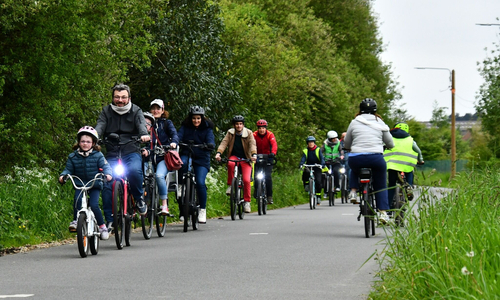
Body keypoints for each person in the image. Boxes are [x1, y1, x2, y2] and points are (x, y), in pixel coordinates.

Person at [95, 83, 150, 231]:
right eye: (117, 97)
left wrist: (144, 134)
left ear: (129, 98)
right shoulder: (106, 111)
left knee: (134, 170)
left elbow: (141, 125)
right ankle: (110, 220)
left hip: (131, 149)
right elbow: (100, 126)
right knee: (107, 182)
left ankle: (139, 199)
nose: (120, 100)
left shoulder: (136, 110)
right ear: (113, 98)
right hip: (112, 151)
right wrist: (94, 136)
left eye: (123, 97)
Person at [343, 98, 394, 224]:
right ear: (375, 110)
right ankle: (382, 213)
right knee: (381, 185)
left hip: (357, 157)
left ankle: (353, 192)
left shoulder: (354, 122)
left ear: (360, 110)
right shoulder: (380, 122)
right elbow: (390, 142)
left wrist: (349, 147)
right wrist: (387, 146)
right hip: (375, 158)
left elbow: (347, 141)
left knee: (354, 169)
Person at [59, 126, 113, 240]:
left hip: (94, 183)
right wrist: (63, 176)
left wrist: (107, 175)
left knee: (94, 204)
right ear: (78, 142)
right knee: (77, 200)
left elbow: (105, 166)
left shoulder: (98, 155)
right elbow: (68, 169)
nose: (85, 144)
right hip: (80, 183)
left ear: (93, 143)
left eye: (88, 142)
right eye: (82, 141)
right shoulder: (73, 156)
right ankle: (75, 220)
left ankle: (102, 226)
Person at [177, 106, 215, 223]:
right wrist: (176, 142)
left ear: (202, 118)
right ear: (190, 118)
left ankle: (202, 210)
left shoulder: (207, 129)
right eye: (194, 118)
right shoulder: (185, 127)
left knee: (200, 182)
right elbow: (178, 136)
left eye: (198, 118)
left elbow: (211, 140)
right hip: (187, 154)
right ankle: (181, 186)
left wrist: (209, 145)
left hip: (202, 158)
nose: (196, 121)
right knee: (181, 164)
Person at [141, 99, 179, 216]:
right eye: (153, 108)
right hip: (149, 158)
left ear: (163, 110)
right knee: (143, 178)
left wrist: (173, 143)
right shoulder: (146, 123)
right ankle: (143, 204)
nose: (155, 111)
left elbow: (174, 135)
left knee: (159, 176)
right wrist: (145, 150)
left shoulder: (167, 123)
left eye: (158, 108)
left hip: (163, 157)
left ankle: (164, 205)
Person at [215, 115, 257, 213]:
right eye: (237, 124)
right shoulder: (230, 133)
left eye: (240, 124)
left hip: (246, 159)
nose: (239, 126)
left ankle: (247, 202)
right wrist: (219, 153)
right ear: (234, 125)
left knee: (246, 180)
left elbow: (252, 144)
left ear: (243, 125)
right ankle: (230, 185)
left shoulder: (249, 133)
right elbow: (224, 143)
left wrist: (253, 154)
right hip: (234, 156)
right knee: (230, 163)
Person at [384, 122, 424, 205]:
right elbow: (418, 151)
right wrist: (420, 160)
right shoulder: (410, 139)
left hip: (392, 164)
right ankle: (409, 186)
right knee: (409, 171)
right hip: (407, 163)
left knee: (391, 185)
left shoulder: (390, 138)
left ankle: (388, 206)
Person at [253, 119, 278, 204]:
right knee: (256, 175)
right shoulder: (254, 135)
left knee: (267, 176)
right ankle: (257, 190)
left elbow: (274, 144)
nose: (261, 130)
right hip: (256, 157)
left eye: (263, 128)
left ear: (266, 128)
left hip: (268, 158)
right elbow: (250, 144)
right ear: (258, 128)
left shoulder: (270, 135)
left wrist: (273, 153)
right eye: (260, 128)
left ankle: (269, 196)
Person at [299, 136, 326, 205]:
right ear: (307, 143)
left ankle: (318, 196)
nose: (311, 144)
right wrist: (301, 164)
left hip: (317, 166)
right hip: (308, 166)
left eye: (312, 142)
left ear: (314, 143)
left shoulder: (318, 149)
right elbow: (303, 159)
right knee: (305, 173)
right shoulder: (306, 150)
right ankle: (307, 184)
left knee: (318, 181)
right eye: (309, 142)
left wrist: (322, 165)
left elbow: (322, 158)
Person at [320, 130, 343, 197]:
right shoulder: (325, 144)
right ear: (329, 139)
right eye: (333, 138)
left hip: (336, 161)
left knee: (336, 171)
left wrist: (341, 155)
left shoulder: (338, 143)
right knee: (325, 175)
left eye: (335, 138)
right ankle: (325, 191)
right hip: (327, 162)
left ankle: (337, 186)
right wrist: (320, 158)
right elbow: (321, 151)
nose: (335, 139)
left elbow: (341, 150)